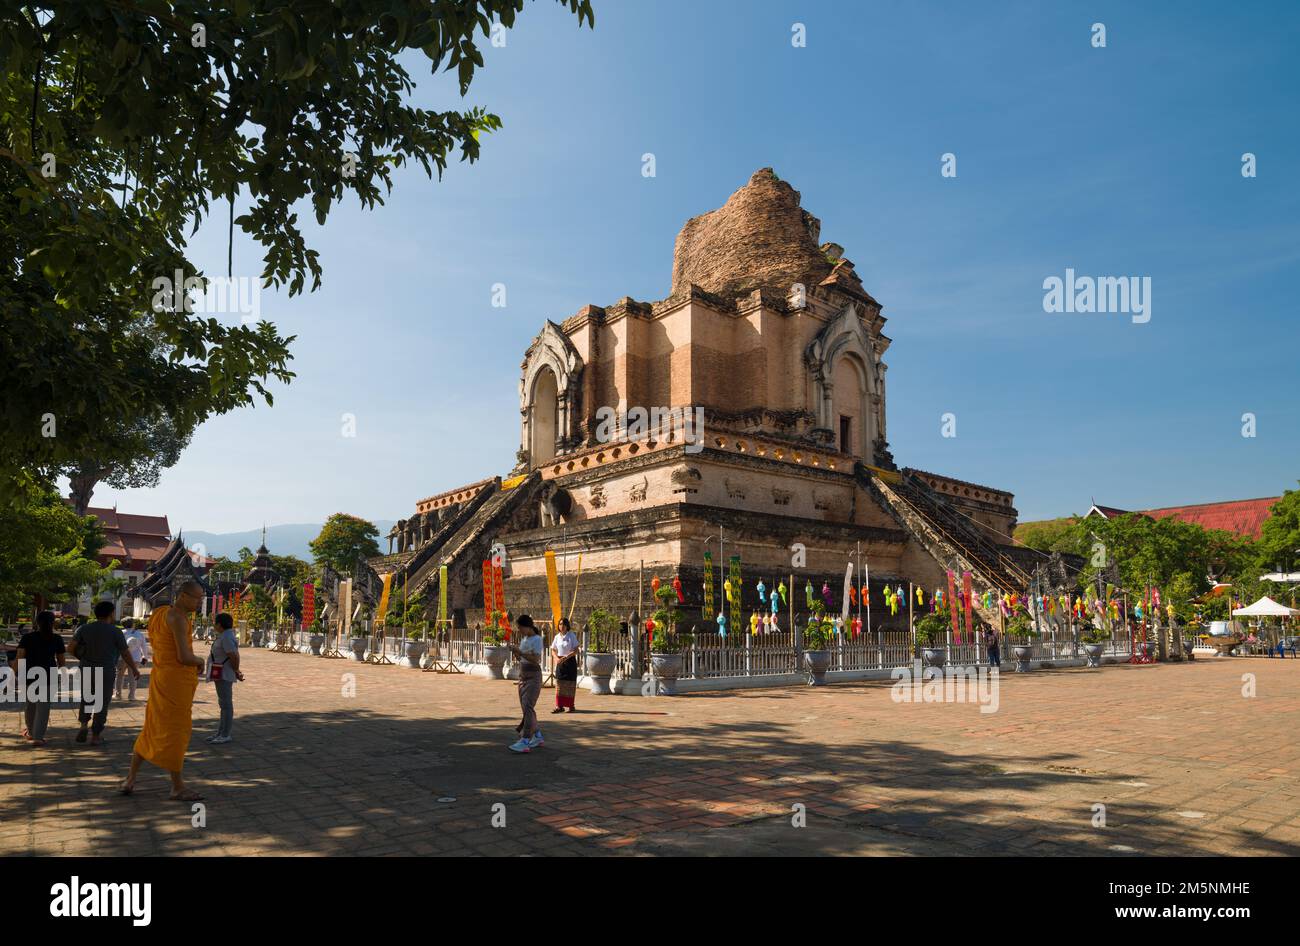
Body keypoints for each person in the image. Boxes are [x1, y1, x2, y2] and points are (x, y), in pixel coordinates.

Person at [119, 580, 207, 801]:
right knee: (175, 731)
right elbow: (183, 657)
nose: (200, 602)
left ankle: (130, 779)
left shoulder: (159, 613)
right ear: (183, 596)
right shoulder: (178, 618)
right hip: (175, 682)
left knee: (152, 727)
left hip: (161, 677)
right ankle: (177, 787)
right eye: (197, 598)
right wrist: (201, 660)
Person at [69, 600, 140, 746]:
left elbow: (70, 648)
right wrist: (134, 668)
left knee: (87, 698)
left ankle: (83, 725)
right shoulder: (115, 631)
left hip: (87, 668)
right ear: (111, 613)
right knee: (101, 702)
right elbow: (125, 653)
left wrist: (82, 658)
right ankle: (95, 736)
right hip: (106, 670)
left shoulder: (84, 628)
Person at [15, 611, 66, 747]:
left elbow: (20, 657)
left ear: (37, 622)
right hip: (49, 675)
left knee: (30, 705)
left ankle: (31, 732)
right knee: (43, 707)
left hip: (28, 675)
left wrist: (13, 672)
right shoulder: (57, 639)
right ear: (53, 622)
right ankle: (38, 737)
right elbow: (61, 661)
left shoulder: (27, 638)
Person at [507, 614, 544, 753]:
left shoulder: (537, 639)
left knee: (528, 706)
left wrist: (520, 651)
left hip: (533, 676)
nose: (520, 631)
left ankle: (525, 739)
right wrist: (516, 651)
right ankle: (538, 735)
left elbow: (535, 659)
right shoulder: (524, 639)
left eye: (521, 628)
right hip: (523, 675)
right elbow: (522, 658)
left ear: (528, 626)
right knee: (526, 708)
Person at [205, 612, 244, 744]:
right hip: (220, 671)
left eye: (216, 622)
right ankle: (220, 732)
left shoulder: (226, 637)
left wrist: (236, 671)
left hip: (225, 672)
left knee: (226, 704)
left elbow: (234, 656)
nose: (214, 625)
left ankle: (226, 734)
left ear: (220, 625)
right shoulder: (225, 635)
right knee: (223, 703)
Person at [550, 617, 579, 714]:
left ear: (567, 626)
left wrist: (566, 657)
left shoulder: (571, 636)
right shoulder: (557, 637)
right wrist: (556, 658)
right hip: (560, 662)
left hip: (570, 662)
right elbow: (553, 649)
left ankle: (571, 705)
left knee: (570, 684)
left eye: (563, 624)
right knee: (559, 684)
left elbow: (576, 650)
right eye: (560, 624)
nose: (562, 626)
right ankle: (559, 706)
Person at [116, 619, 149, 700]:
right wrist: (145, 657)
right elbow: (144, 647)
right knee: (133, 677)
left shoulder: (120, 633)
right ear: (133, 624)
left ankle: (118, 695)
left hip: (122, 657)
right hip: (136, 658)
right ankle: (131, 696)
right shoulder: (139, 634)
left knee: (119, 676)